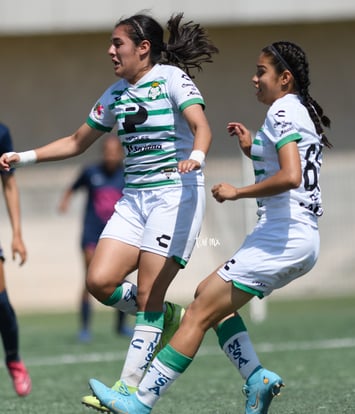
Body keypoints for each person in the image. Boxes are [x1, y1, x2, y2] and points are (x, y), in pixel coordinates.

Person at [89, 40, 332, 414]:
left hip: (282, 235)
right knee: (209, 296)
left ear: (285, 79)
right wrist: (253, 147)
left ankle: (139, 401)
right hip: (300, 238)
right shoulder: (298, 110)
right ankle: (255, 377)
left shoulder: (282, 111)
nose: (254, 78)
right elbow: (289, 162)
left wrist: (238, 192)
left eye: (261, 71)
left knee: (199, 311)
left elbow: (290, 176)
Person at [0, 11, 217, 411]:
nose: (111, 51)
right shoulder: (115, 92)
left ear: (143, 48)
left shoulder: (170, 78)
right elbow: (76, 141)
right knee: (99, 282)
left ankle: (128, 389)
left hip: (174, 195)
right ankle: (166, 315)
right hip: (134, 200)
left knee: (150, 291)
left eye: (118, 44)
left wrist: (198, 156)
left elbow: (201, 125)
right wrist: (23, 157)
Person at [58, 135, 133, 342]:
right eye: (107, 151)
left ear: (120, 153)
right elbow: (72, 188)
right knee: (90, 279)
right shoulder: (91, 172)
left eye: (114, 151)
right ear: (103, 152)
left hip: (118, 236)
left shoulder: (128, 174)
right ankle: (84, 328)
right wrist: (65, 202)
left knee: (118, 279)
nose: (111, 155)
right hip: (91, 234)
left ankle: (120, 326)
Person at [0, 123, 32, 397]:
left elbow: (9, 184)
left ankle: (13, 359)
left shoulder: (1, 132)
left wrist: (17, 234)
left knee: (0, 302)